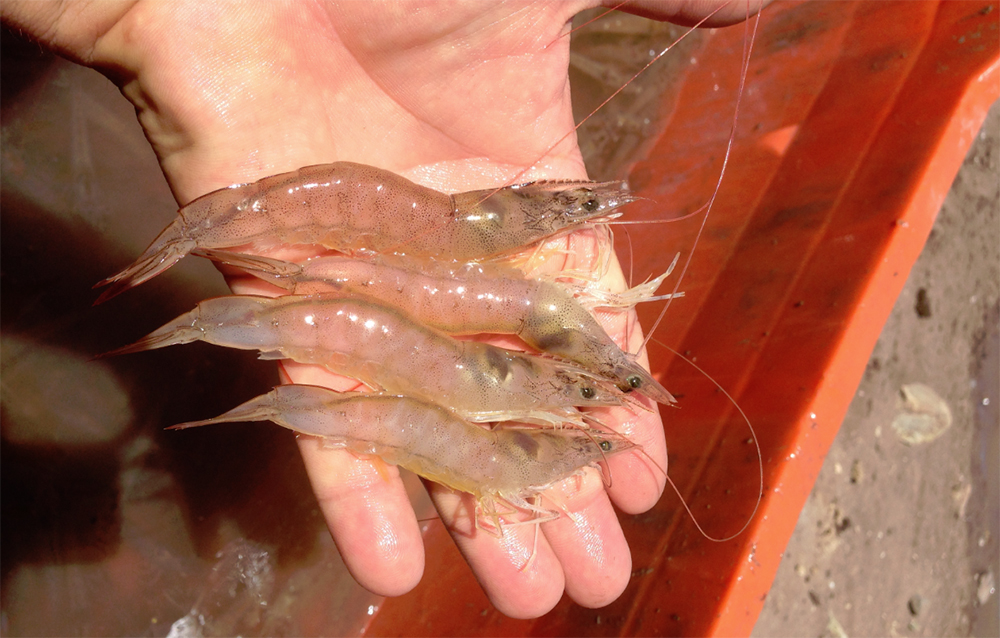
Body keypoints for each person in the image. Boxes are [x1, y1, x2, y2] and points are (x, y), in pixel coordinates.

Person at [2, 0, 758, 619]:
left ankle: (185, 306)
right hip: (365, 247)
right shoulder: (479, 267)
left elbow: (505, 312)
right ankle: (181, 286)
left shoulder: (497, 282)